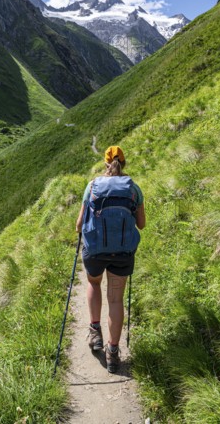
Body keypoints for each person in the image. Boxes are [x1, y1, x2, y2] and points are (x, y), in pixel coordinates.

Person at [76, 145, 145, 373]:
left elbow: (79, 225)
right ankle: (113, 352)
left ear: (106, 164)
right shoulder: (133, 189)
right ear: (123, 163)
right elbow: (141, 224)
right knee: (115, 300)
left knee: (94, 283)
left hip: (95, 250)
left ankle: (95, 332)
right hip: (123, 252)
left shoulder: (92, 186)